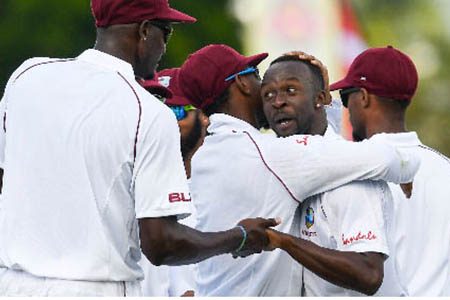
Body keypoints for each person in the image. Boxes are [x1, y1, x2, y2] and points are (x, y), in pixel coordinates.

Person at [0, 1, 278, 296]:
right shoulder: (147, 111)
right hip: (95, 289)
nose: (164, 47)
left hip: (13, 285)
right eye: (165, 33)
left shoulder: (27, 75)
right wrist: (239, 237)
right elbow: (161, 244)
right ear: (145, 31)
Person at [177, 44, 419, 296]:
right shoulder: (270, 154)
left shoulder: (206, 155)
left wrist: (318, 95)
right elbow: (389, 158)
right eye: (263, 85)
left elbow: (315, 151)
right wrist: (406, 168)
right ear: (242, 83)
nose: (277, 102)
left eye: (291, 90)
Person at [260, 52, 394, 296]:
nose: (277, 102)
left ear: (320, 98)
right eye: (268, 94)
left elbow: (369, 274)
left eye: (290, 90)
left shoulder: (350, 177)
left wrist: (284, 242)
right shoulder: (279, 163)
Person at [330, 46, 450, 296]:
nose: (346, 109)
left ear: (363, 97)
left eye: (344, 97)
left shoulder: (355, 170)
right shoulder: (444, 168)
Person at [138, 68, 207, 296]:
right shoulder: (129, 185)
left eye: (177, 111)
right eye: (158, 109)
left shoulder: (219, 187)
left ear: (204, 116)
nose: (164, 120)